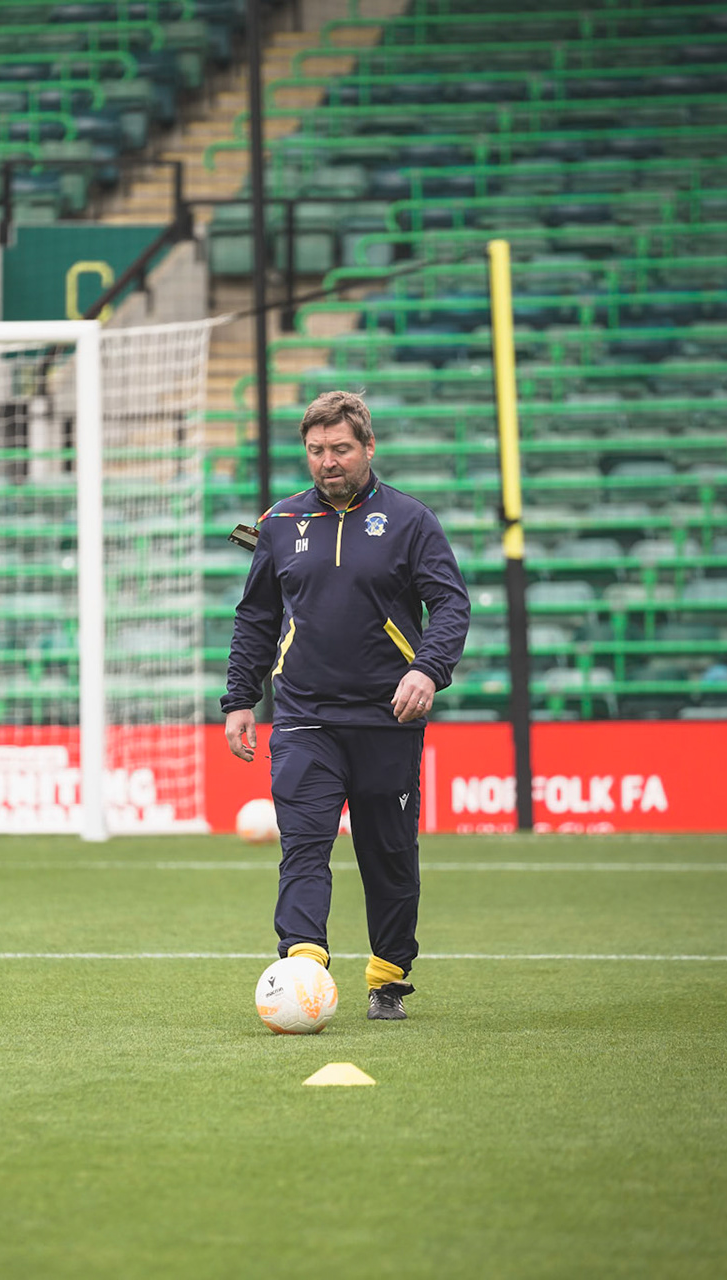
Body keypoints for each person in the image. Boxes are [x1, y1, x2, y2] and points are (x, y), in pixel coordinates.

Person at [222, 390, 470, 1020]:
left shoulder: (411, 521)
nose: (327, 461)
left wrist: (427, 670)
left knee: (389, 856)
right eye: (316, 450)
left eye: (340, 449)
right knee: (304, 846)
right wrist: (240, 697)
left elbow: (450, 603)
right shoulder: (280, 523)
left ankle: (388, 977)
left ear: (368, 447)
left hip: (388, 719)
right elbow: (256, 616)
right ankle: (303, 966)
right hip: (304, 717)